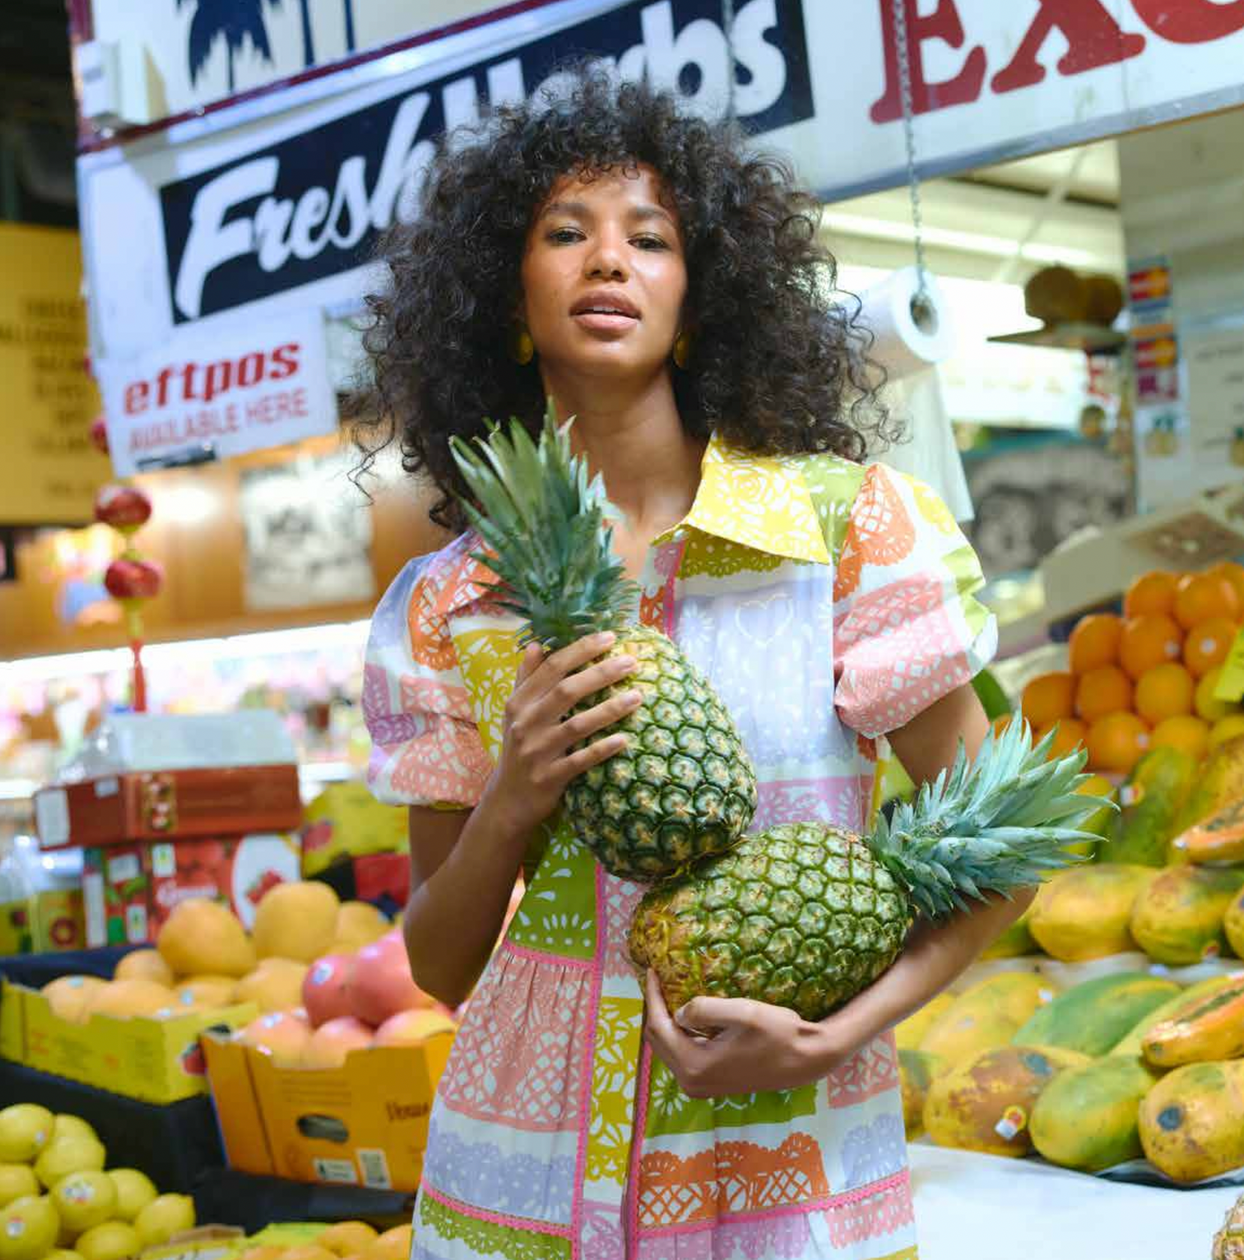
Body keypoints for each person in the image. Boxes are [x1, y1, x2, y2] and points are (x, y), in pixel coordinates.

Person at [359, 68, 1017, 1260]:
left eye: (648, 239)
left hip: (791, 1159)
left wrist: (836, 1033)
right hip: (523, 1172)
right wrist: (511, 797)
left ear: (696, 300)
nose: (606, 261)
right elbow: (441, 965)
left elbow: (1005, 855)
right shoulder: (450, 603)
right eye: (564, 233)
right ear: (505, 298)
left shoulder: (844, 533)